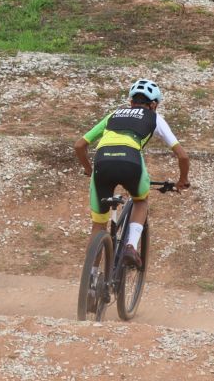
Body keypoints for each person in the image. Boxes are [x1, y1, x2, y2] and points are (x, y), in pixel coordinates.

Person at [74, 78, 190, 266]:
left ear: (131, 102)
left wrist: (89, 170)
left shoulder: (114, 114)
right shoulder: (155, 118)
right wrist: (182, 180)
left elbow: (79, 145)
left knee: (98, 226)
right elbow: (183, 156)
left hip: (102, 162)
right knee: (140, 201)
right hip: (131, 161)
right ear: (153, 105)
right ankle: (130, 246)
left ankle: (91, 281)